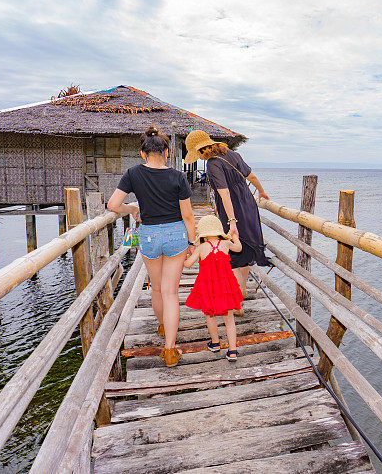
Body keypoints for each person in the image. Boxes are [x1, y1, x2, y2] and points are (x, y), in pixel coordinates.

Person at [107, 124, 195, 367]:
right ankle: (169, 350)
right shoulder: (178, 177)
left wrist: (132, 208)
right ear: (167, 152)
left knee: (156, 289)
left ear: (143, 153)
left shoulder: (133, 173)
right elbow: (188, 216)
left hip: (148, 237)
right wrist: (191, 242)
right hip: (176, 233)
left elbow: (113, 205)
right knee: (171, 293)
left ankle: (162, 327)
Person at [184, 130, 270, 308]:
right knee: (245, 249)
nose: (198, 158)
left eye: (197, 154)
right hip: (247, 203)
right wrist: (261, 191)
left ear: (202, 150)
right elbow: (251, 176)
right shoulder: (232, 154)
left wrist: (232, 221)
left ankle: (237, 299)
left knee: (233, 254)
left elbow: (224, 193)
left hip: (232, 209)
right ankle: (243, 289)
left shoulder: (213, 164)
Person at [184, 215, 243, 361]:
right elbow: (239, 248)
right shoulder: (225, 244)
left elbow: (187, 264)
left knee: (210, 315)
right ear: (218, 231)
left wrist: (185, 254)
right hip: (225, 286)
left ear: (202, 233)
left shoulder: (201, 248)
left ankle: (215, 343)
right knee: (229, 319)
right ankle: (232, 351)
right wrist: (234, 237)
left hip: (208, 287)